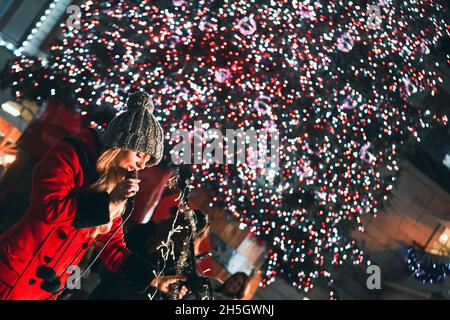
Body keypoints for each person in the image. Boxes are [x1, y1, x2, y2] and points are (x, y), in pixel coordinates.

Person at [0, 92, 188, 300]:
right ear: (121, 143)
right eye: (139, 154)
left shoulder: (115, 185)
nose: (142, 165)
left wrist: (155, 279)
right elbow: (49, 209)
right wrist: (108, 203)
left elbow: (113, 247)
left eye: (148, 160)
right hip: (14, 272)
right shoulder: (71, 154)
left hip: (46, 290)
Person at [90, 209, 211, 300]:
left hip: (110, 287)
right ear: (197, 237)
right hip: (116, 287)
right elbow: (115, 249)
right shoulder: (183, 260)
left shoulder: (148, 230)